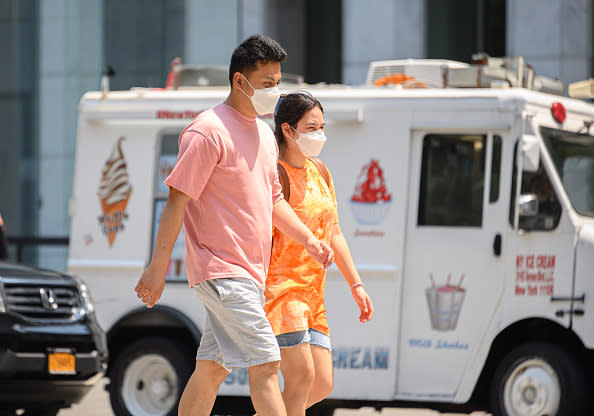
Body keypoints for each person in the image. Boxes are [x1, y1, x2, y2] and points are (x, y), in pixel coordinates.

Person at [134, 35, 334, 416]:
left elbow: (274, 199)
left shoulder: (264, 135)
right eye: (267, 84)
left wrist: (309, 239)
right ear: (240, 82)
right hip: (221, 272)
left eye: (279, 82)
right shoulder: (207, 131)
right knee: (267, 364)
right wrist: (157, 269)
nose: (276, 93)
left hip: (250, 275)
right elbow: (178, 202)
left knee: (211, 368)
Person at [265, 92, 374, 416]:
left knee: (322, 383)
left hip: (315, 296)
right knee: (301, 376)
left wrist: (357, 285)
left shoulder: (321, 172)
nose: (319, 135)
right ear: (288, 130)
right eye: (311, 127)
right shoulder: (275, 174)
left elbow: (334, 232)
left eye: (322, 127)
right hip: (282, 292)